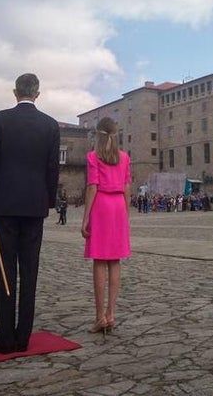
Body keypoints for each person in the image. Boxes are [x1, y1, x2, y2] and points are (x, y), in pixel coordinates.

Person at [0, 73, 61, 354]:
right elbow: (53, 167)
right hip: (35, 205)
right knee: (30, 271)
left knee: (4, 270)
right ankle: (23, 335)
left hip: (4, 203)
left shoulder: (0, 119)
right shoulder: (50, 125)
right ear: (37, 93)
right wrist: (48, 200)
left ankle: (5, 337)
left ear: (15, 92)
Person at [81, 117, 132, 333]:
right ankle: (111, 314)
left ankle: (99, 316)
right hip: (119, 205)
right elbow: (128, 187)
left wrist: (85, 218)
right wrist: (126, 214)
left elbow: (92, 187)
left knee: (100, 261)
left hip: (101, 205)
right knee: (115, 261)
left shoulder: (93, 157)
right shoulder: (124, 157)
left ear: (98, 136)